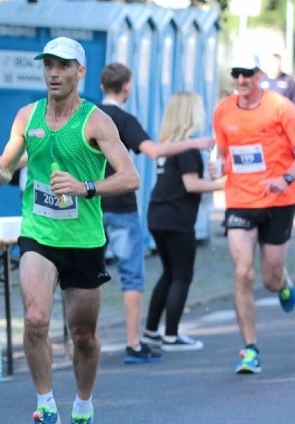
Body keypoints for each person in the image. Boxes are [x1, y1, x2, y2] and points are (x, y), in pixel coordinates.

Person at [0, 37, 139, 424]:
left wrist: (86, 187)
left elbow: (130, 177)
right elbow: (9, 167)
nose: (53, 72)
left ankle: (82, 410)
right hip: (39, 233)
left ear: (80, 72)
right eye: (48, 64)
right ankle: (45, 406)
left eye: (63, 66)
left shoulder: (96, 121)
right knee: (34, 319)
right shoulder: (27, 116)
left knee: (83, 335)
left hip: (83, 240)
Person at [98, 62, 214, 364]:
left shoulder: (88, 116)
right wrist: (197, 143)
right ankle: (135, 343)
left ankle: (86, 339)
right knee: (132, 278)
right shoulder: (123, 120)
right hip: (121, 206)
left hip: (89, 205)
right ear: (126, 87)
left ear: (101, 86)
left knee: (88, 278)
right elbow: (153, 151)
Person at [212, 52, 295, 374]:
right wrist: (217, 164)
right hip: (240, 200)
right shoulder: (223, 110)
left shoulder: (280, 107)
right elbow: (223, 152)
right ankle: (250, 349)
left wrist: (285, 177)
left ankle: (283, 281)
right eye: (236, 74)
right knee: (243, 272)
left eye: (247, 74)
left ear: (259, 76)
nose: (241, 81)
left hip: (278, 200)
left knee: (270, 278)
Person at [142, 92, 222, 352]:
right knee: (182, 275)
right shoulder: (187, 146)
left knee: (169, 272)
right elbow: (191, 184)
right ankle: (171, 335)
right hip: (177, 218)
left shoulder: (168, 145)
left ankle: (151, 330)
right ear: (191, 114)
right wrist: (223, 185)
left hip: (157, 215)